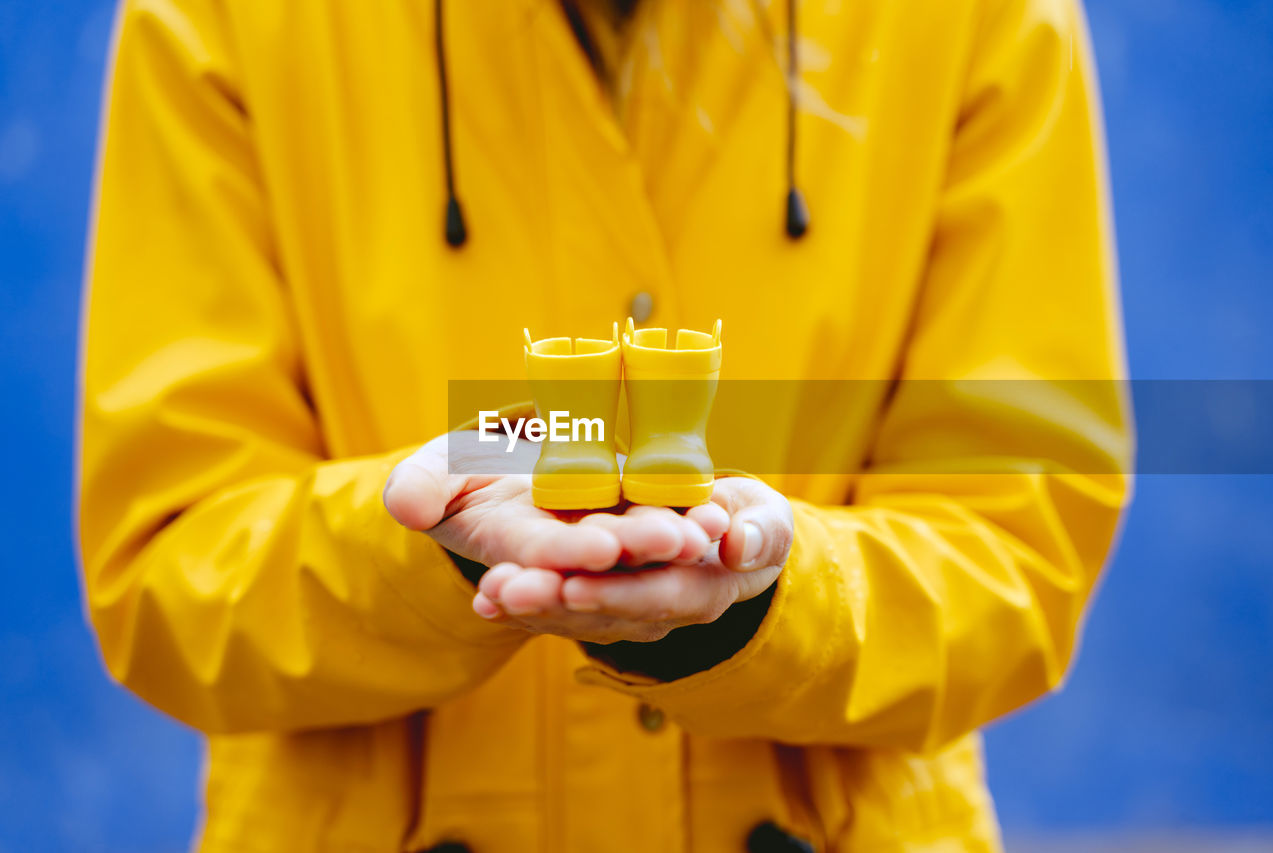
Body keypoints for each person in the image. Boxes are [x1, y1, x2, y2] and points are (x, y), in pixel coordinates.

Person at [77, 0, 1131, 850]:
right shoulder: (217, 17)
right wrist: (435, 543)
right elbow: (171, 560)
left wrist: (767, 603)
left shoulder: (982, 17)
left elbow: (1016, 545)